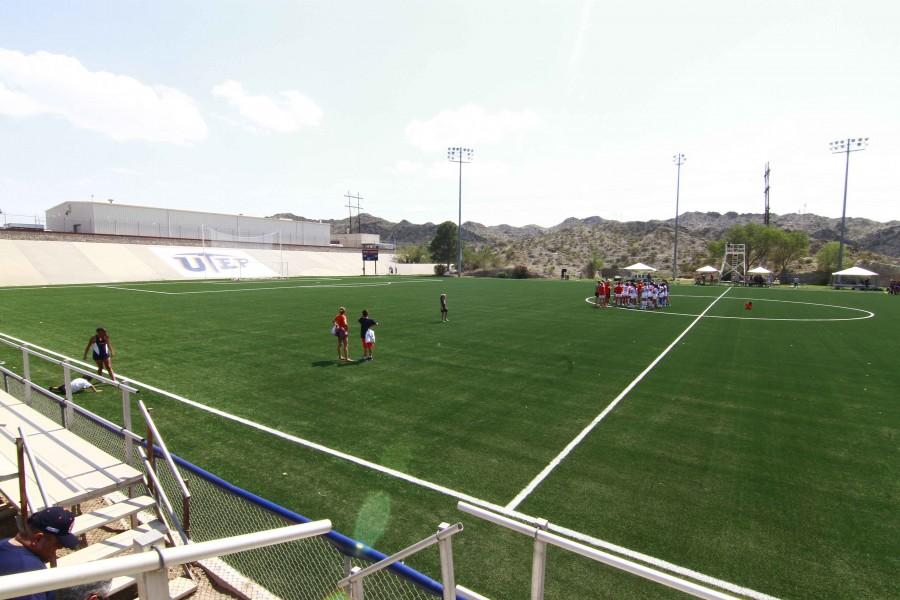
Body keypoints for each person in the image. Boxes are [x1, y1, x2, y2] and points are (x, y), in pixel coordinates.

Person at [0, 507, 80, 599]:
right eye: (58, 545)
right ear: (38, 538)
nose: (57, 550)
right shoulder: (30, 569)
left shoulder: (3, 544)